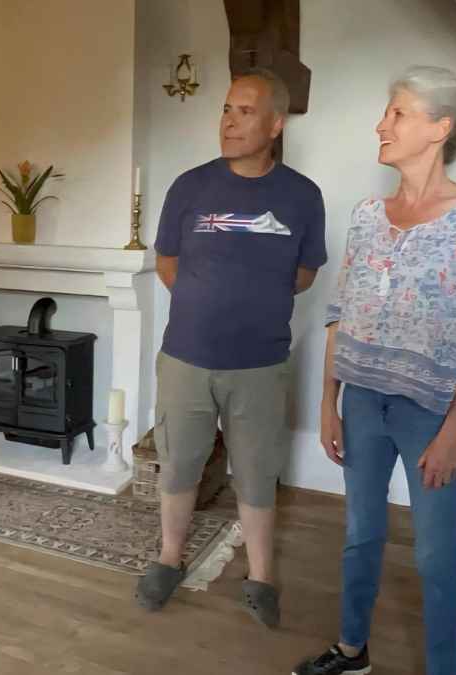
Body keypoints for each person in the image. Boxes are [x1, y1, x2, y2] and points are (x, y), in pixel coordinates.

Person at [293, 66, 456, 675]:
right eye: (387, 113)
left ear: (440, 128)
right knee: (361, 535)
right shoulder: (367, 214)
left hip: (432, 413)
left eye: (398, 113)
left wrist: (452, 431)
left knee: (436, 557)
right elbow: (340, 314)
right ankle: (352, 650)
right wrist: (327, 403)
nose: (381, 125)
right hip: (361, 402)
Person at [136, 68, 328, 628]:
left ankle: (262, 574)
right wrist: (207, 304)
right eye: (225, 109)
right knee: (178, 466)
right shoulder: (189, 187)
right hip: (187, 358)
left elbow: (306, 272)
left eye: (245, 112)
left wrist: (250, 301)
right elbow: (169, 263)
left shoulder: (301, 196)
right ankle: (169, 559)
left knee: (256, 471)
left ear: (274, 124)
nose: (228, 121)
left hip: (261, 364)